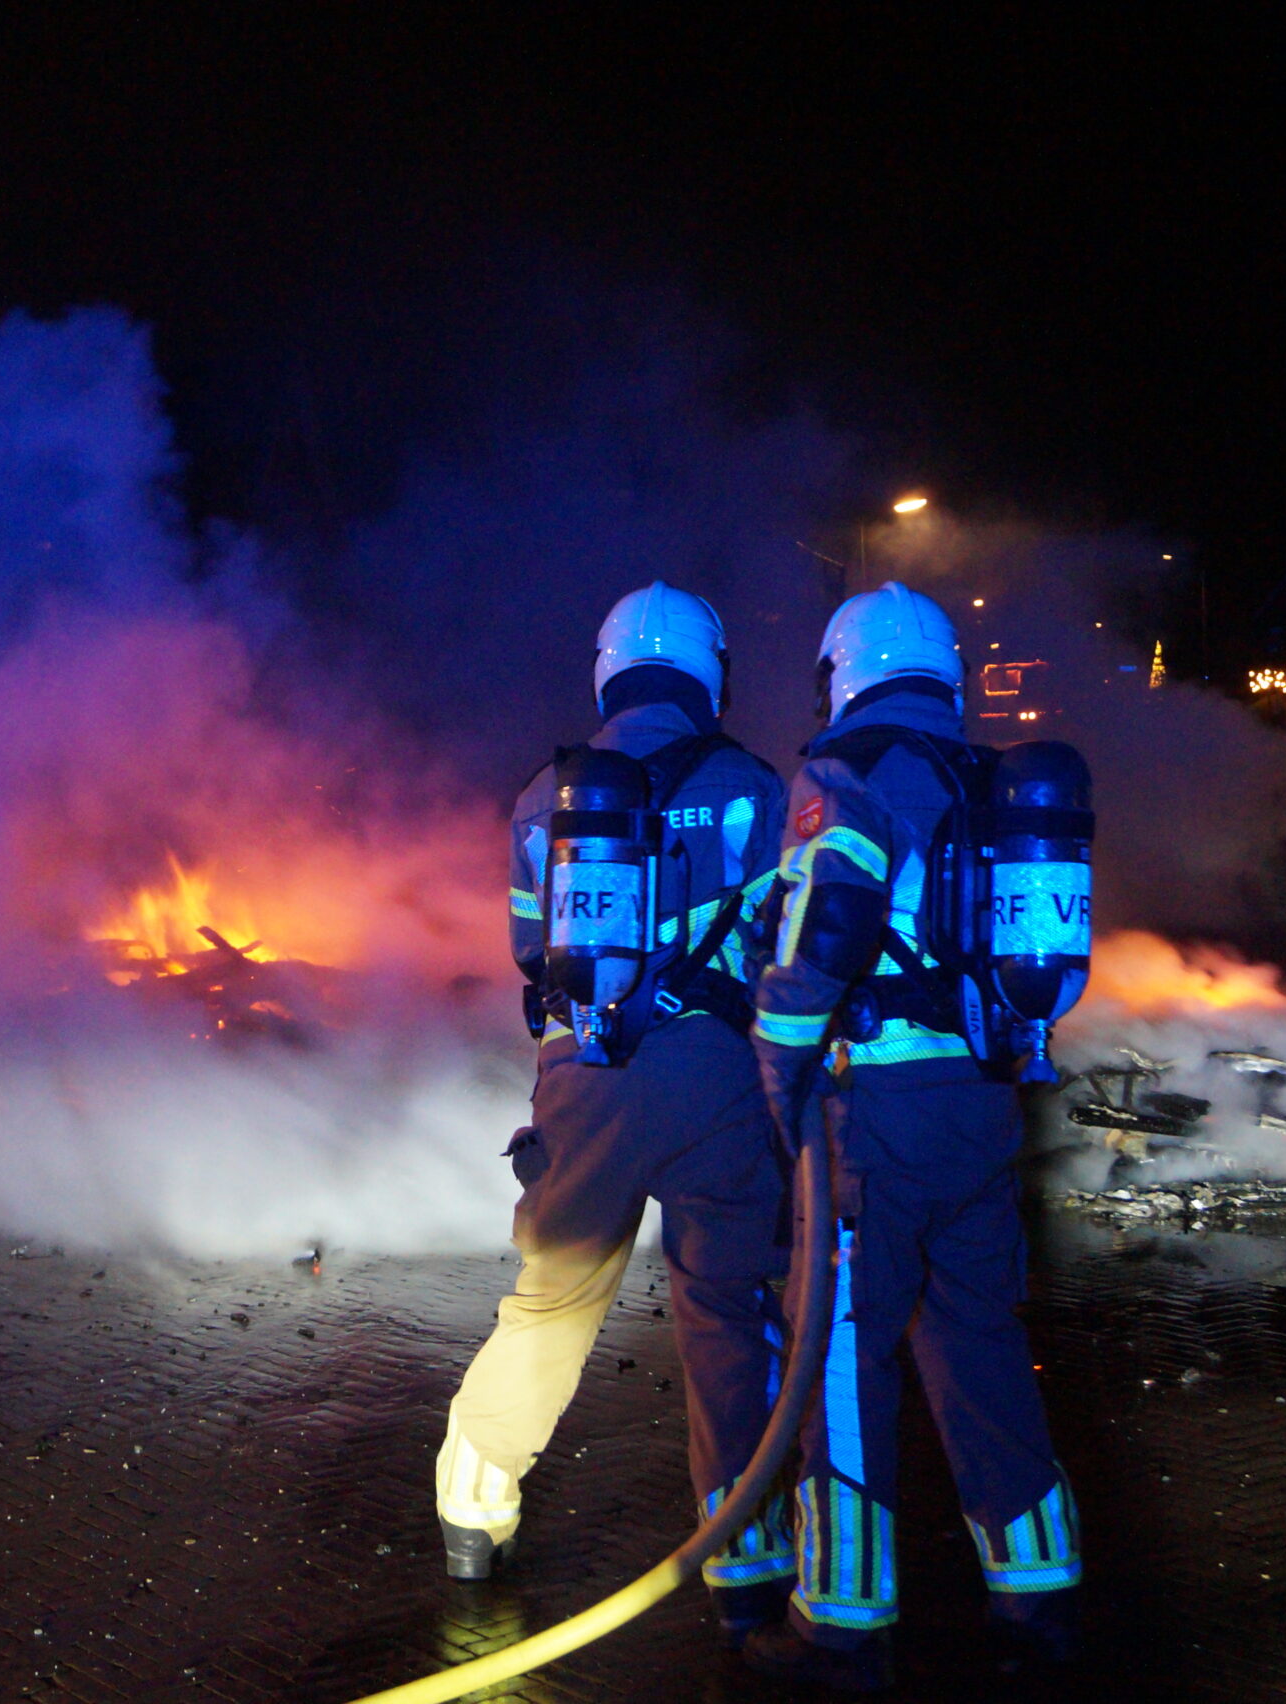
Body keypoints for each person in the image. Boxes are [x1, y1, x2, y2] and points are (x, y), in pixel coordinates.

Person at [434, 581, 796, 1645]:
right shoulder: (750, 784)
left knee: (551, 1301)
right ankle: (745, 1547)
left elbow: (527, 949)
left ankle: (473, 1511)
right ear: (710, 672)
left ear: (607, 671)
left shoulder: (542, 795)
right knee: (728, 1307)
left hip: (583, 1075)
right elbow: (782, 942)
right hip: (718, 1080)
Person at [743, 582, 1080, 1689]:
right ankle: (1037, 1590)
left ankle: (842, 1621)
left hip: (874, 1119)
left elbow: (827, 925)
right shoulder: (991, 778)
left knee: (843, 1356)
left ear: (842, 673)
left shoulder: (844, 774)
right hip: (982, 1105)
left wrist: (781, 1072)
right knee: (980, 1340)